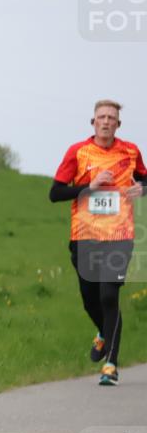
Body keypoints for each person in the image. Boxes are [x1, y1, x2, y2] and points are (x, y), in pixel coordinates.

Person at [49, 100, 146, 386]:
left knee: (108, 295)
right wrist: (88, 188)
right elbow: (54, 193)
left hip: (119, 236)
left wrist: (142, 189)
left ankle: (111, 365)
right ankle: (103, 333)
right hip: (85, 236)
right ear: (93, 122)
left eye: (111, 118)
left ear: (118, 124)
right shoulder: (77, 152)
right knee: (89, 298)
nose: (106, 121)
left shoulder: (131, 152)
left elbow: (145, 180)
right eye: (101, 117)